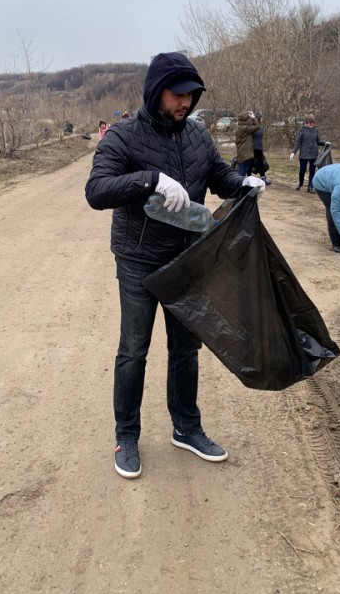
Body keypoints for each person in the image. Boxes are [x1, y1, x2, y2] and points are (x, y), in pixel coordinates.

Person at [85, 51, 265, 479]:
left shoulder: (198, 136)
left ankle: (186, 427)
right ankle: (126, 435)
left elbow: (219, 178)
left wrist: (244, 183)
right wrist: (149, 179)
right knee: (134, 349)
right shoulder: (123, 137)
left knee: (186, 347)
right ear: (156, 91)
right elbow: (96, 190)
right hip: (138, 261)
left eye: (192, 95)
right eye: (178, 94)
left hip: (189, 259)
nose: (186, 103)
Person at [290, 113, 328, 193]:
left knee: (312, 171)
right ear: (306, 122)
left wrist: (325, 143)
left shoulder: (316, 130)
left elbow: (318, 141)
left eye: (313, 123)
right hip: (303, 154)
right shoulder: (301, 130)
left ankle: (310, 186)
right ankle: (300, 183)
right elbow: (298, 142)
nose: (312, 124)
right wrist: (293, 152)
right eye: (310, 123)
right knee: (302, 170)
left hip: (314, 154)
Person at [235, 111, 261, 177]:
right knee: (243, 172)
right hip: (246, 153)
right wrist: (254, 118)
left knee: (240, 170)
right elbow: (258, 126)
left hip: (241, 152)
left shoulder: (239, 128)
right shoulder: (245, 129)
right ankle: (240, 185)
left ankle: (237, 184)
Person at [251, 111, 270, 184]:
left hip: (259, 148)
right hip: (254, 148)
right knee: (256, 163)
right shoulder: (255, 127)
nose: (263, 119)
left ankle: (262, 177)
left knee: (259, 163)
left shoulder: (257, 127)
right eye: (261, 118)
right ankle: (262, 177)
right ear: (258, 118)